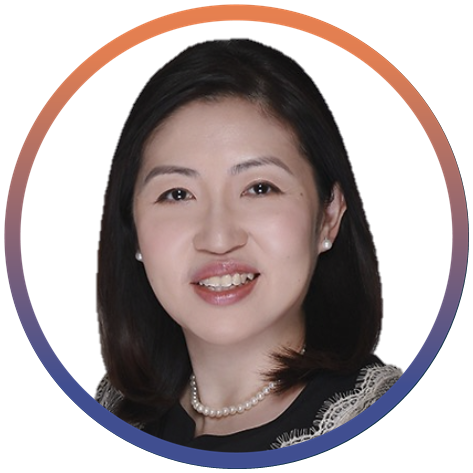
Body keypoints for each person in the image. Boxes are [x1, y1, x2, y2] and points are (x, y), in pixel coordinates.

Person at [95, 39, 402, 452]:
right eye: (177, 194)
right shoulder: (115, 409)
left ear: (329, 215)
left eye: (259, 188)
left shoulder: (371, 412)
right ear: (131, 227)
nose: (218, 239)